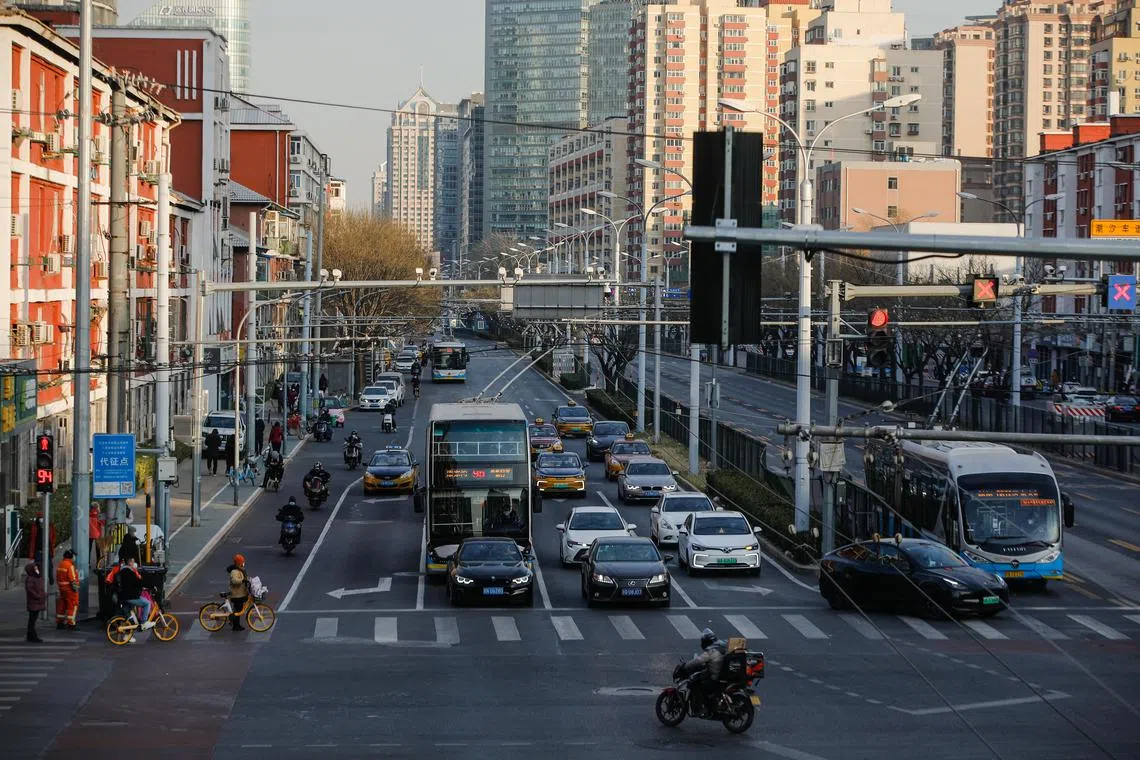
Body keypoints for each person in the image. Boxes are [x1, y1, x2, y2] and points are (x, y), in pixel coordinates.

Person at [679, 628, 727, 715]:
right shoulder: (721, 645)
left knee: (695, 683)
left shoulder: (712, 650)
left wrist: (685, 666)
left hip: (715, 676)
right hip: (721, 674)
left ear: (706, 641)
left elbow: (698, 661)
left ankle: (702, 708)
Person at [109, 558, 152, 640]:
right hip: (130, 596)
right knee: (147, 603)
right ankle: (144, 623)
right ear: (130, 563)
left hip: (123, 596)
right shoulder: (129, 572)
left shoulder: (121, 571)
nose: (134, 563)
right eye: (133, 561)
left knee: (130, 617)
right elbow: (136, 583)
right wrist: (141, 581)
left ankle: (127, 636)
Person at [55, 549, 79, 631]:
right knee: (72, 606)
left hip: (62, 589)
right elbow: (73, 580)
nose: (74, 558)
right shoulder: (70, 566)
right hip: (70, 590)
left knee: (62, 606)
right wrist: (75, 589)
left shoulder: (61, 564)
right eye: (74, 556)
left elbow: (58, 577)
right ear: (71, 556)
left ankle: (60, 623)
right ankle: (71, 624)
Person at [24, 560, 46, 643]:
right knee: (32, 620)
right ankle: (32, 635)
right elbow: (30, 590)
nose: (37, 569)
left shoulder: (38, 577)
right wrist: (38, 596)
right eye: (35, 568)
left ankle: (30, 635)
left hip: (37, 601)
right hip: (34, 602)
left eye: (37, 568)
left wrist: (43, 595)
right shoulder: (31, 578)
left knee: (33, 619)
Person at [226, 554, 249, 631]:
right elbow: (234, 581)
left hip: (240, 593)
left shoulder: (240, 569)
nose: (243, 564)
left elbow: (244, 577)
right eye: (242, 562)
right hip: (237, 594)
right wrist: (242, 580)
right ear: (239, 563)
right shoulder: (234, 571)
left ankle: (236, 624)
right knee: (238, 610)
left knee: (238, 609)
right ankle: (235, 626)